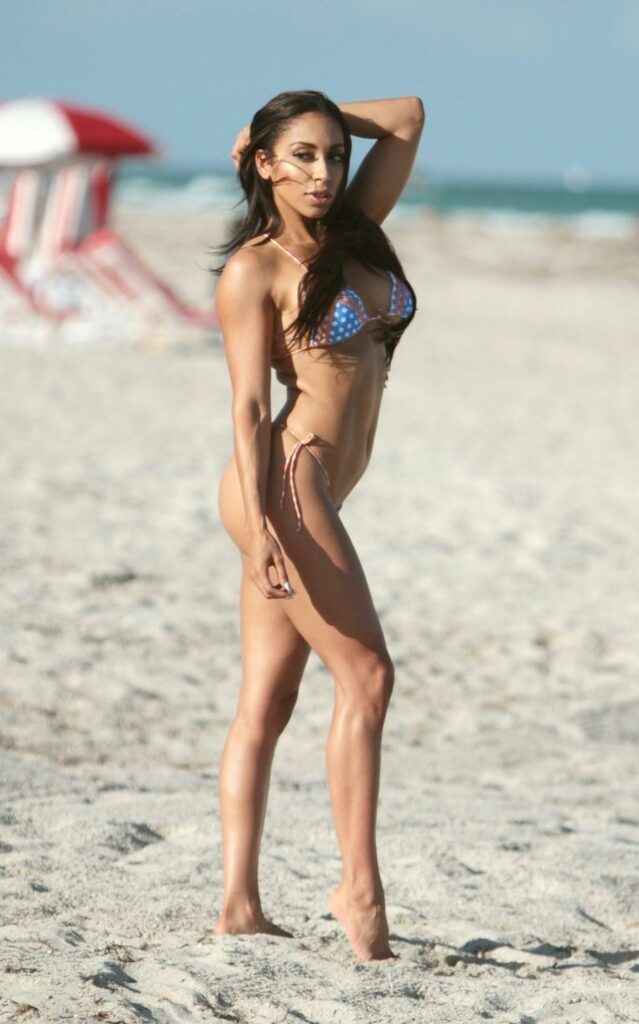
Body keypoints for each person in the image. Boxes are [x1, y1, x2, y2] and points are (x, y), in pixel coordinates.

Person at [213, 90, 424, 962]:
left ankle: (238, 904)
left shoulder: (351, 234)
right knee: (367, 676)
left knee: (268, 700)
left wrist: (292, 123)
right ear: (264, 166)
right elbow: (246, 405)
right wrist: (262, 529)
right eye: (300, 156)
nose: (323, 172)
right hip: (282, 483)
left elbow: (406, 116)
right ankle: (359, 893)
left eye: (333, 155)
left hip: (323, 488)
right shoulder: (253, 269)